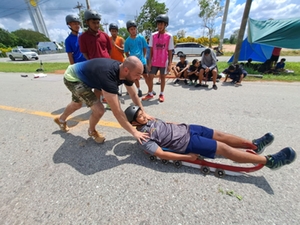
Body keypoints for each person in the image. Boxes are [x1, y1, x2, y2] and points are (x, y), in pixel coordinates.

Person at [124, 105, 297, 170]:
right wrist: (186, 157)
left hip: (190, 129)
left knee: (221, 134)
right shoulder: (143, 138)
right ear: (133, 123)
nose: (144, 116)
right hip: (186, 142)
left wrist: (178, 124)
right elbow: (161, 153)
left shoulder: (150, 118)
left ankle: (253, 145)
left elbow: (168, 123)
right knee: (223, 148)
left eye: (142, 112)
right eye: (139, 116)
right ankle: (270, 161)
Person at [54, 56, 152, 144]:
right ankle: (91, 131)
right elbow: (117, 112)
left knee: (77, 104)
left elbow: (133, 94)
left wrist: (143, 112)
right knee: (99, 110)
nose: (139, 78)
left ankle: (61, 120)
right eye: (137, 74)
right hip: (73, 79)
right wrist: (135, 132)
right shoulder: (109, 78)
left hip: (90, 78)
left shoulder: (124, 71)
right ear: (126, 70)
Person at [79, 9, 112, 103]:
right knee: (97, 88)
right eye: (93, 23)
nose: (96, 25)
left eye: (97, 22)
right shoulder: (83, 37)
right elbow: (84, 52)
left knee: (109, 86)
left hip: (107, 65)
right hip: (94, 67)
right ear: (87, 22)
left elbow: (109, 49)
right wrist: (92, 62)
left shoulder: (105, 35)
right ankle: (98, 104)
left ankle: (110, 103)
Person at [144, 14, 174, 102]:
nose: (159, 26)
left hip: (164, 61)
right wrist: (149, 63)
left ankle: (161, 94)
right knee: (150, 77)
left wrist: (169, 64)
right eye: (158, 24)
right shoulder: (153, 35)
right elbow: (151, 50)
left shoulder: (169, 36)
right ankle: (150, 93)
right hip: (154, 61)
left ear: (165, 25)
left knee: (163, 78)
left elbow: (170, 51)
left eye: (161, 24)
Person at [124, 20, 148, 98]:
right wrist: (130, 59)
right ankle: (139, 89)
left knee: (146, 75)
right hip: (134, 63)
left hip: (142, 61)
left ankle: (150, 89)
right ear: (128, 30)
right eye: (131, 29)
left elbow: (145, 48)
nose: (133, 30)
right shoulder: (127, 41)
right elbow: (126, 52)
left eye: (134, 29)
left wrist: (143, 56)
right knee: (135, 77)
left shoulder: (141, 37)